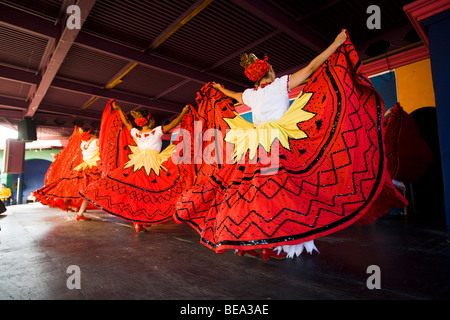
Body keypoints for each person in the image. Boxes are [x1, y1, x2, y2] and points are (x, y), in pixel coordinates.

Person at [174, 30, 407, 260]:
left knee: (250, 191)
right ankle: (274, 242)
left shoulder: (250, 95)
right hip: (279, 140)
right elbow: (311, 68)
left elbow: (234, 96)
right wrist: (336, 44)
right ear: (270, 70)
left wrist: (218, 89)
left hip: (254, 145)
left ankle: (253, 242)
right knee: (285, 191)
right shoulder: (279, 84)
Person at [80, 100, 194, 232]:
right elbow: (174, 123)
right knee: (153, 190)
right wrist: (184, 112)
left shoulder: (136, 133)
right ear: (150, 120)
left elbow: (126, 123)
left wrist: (119, 110)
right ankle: (141, 221)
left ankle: (138, 222)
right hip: (154, 162)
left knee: (136, 192)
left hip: (137, 162)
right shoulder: (156, 131)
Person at [34, 128, 102, 221]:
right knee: (89, 191)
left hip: (83, 167)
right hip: (92, 168)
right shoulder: (96, 142)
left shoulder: (83, 144)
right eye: (95, 134)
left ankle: (79, 211)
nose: (96, 136)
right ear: (92, 135)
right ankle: (80, 212)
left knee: (79, 189)